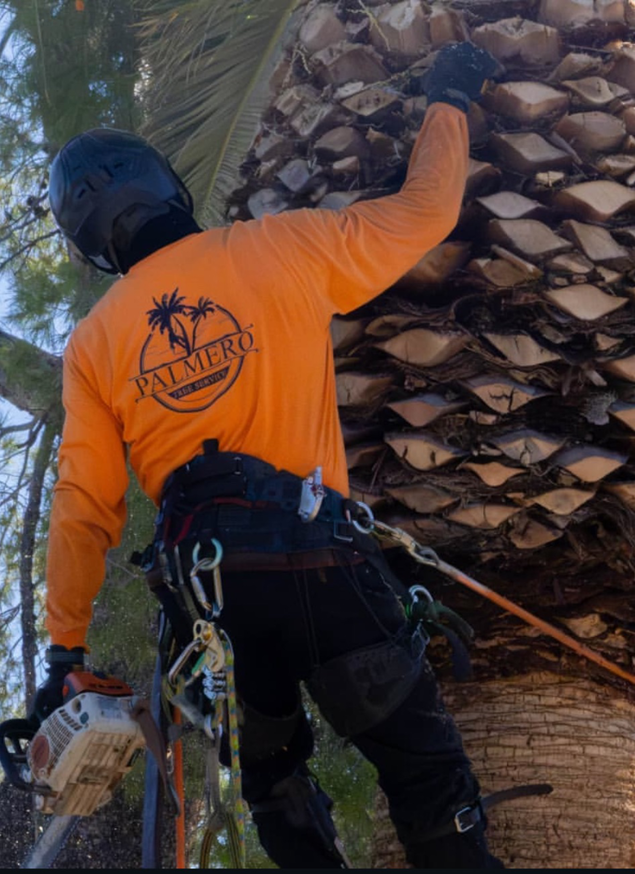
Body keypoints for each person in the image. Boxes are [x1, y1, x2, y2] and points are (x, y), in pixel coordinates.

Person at [34, 40, 504, 869]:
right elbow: (426, 213)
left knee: (278, 798)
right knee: (426, 782)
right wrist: (448, 99)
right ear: (166, 187)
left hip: (214, 605)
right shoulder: (276, 246)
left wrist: (64, 651)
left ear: (90, 243)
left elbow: (83, 505)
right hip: (322, 565)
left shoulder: (95, 343)